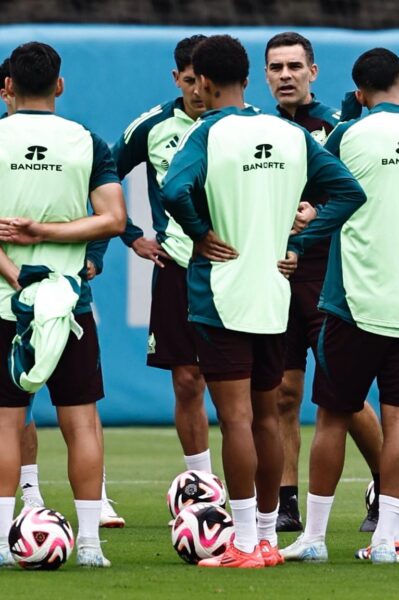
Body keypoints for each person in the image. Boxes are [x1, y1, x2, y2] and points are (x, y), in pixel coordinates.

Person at [161, 34, 367, 568]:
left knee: (234, 420)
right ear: (249, 78)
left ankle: (246, 541)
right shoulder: (289, 133)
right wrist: (301, 242)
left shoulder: (205, 133)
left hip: (224, 293)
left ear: (202, 84)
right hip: (276, 294)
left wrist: (201, 234)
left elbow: (171, 192)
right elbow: (348, 192)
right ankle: (270, 539)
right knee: (268, 419)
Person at [280, 47, 399, 565]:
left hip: (352, 302)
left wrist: (303, 227)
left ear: (359, 94)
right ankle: (386, 540)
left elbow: (312, 198)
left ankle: (314, 537)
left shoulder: (347, 134)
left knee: (333, 418)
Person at [0, 41, 127, 567]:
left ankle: (1, 546)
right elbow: (114, 220)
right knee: (81, 424)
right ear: (59, 86)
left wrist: (17, 275)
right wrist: (49, 232)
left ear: (6, 88)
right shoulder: (87, 142)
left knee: (6, 424)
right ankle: (91, 546)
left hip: (9, 306)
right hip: (70, 306)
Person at [263, 30, 383, 534]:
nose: (285, 75)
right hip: (273, 271)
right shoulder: (256, 129)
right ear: (265, 76)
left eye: (294, 66)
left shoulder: (340, 127)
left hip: (327, 273)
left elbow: (362, 195)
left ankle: (392, 486)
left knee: (342, 392)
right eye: (276, 68)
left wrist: (315, 216)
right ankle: (286, 500)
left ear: (313, 72)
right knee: (282, 392)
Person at [111, 35, 216, 483]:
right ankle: (204, 484)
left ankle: (262, 499)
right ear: (177, 78)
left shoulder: (241, 127)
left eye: (205, 81)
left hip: (237, 269)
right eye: (189, 80)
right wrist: (131, 235)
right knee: (188, 381)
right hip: (177, 267)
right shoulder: (152, 126)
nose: (197, 91)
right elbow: (103, 174)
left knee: (250, 386)